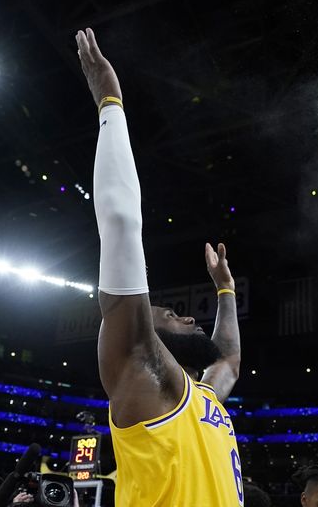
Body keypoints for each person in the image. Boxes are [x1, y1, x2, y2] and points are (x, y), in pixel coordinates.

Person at [74, 28, 243, 506]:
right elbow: (122, 222)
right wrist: (110, 102)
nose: (188, 317)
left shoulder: (204, 398)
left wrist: (225, 292)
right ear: (148, 333)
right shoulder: (138, 368)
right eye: (171, 316)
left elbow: (227, 358)